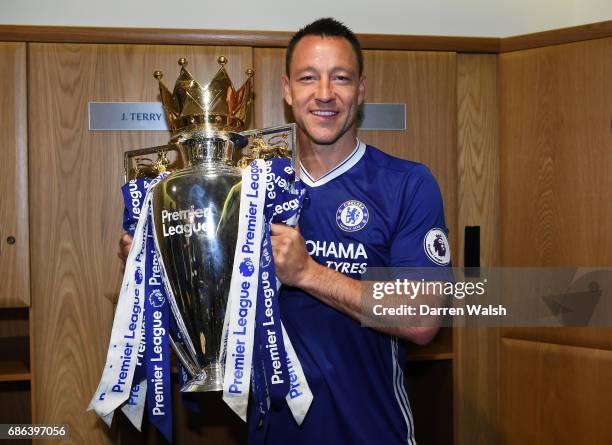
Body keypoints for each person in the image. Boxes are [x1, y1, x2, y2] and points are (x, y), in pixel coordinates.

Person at [119, 18, 450, 445]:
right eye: (309, 78)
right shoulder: (242, 189)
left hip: (369, 430)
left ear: (361, 91)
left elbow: (423, 317)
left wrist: (307, 273)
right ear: (287, 90)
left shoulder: (406, 183)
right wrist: (160, 263)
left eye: (341, 78)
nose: (325, 93)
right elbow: (211, 310)